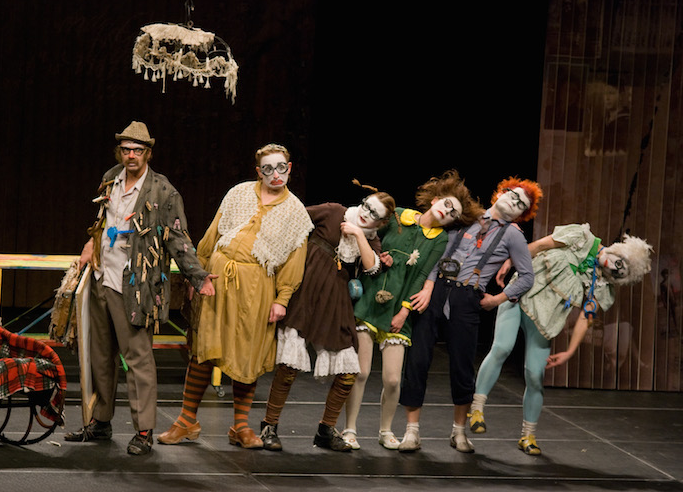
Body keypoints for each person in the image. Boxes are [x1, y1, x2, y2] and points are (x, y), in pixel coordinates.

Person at [64, 121, 216, 455]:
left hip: (136, 285)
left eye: (137, 150)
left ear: (148, 153)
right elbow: (103, 219)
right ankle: (100, 421)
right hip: (102, 276)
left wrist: (198, 276)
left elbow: (177, 238)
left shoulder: (162, 191)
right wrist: (90, 243)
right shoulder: (111, 178)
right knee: (100, 355)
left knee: (137, 358)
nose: (131, 155)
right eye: (126, 149)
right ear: (119, 151)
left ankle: (144, 430)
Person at [158, 143, 313, 449]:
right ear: (259, 172)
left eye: (281, 167)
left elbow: (294, 261)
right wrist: (197, 274)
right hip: (218, 279)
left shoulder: (296, 212)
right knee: (203, 348)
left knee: (247, 354)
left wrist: (282, 299)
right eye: (268, 169)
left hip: (256, 286)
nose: (275, 174)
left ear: (290, 168)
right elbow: (213, 234)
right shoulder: (238, 193)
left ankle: (240, 427)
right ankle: (186, 421)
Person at [470, 225, 652, 455]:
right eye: (618, 263)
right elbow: (540, 246)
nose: (611, 268)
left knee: (535, 375)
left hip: (546, 320)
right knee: (502, 348)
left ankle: (528, 435)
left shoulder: (603, 285)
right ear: (618, 251)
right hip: (520, 295)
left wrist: (570, 351)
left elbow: (586, 317)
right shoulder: (581, 236)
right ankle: (476, 408)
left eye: (618, 273)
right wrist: (510, 261)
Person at [399, 177, 543, 453]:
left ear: (523, 214)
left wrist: (497, 299)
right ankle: (411, 431)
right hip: (437, 290)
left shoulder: (513, 235)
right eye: (513, 195)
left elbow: (527, 277)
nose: (514, 202)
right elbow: (437, 252)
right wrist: (428, 286)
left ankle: (459, 432)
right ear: (500, 192)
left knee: (462, 367)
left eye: (521, 204)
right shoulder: (467, 216)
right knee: (417, 360)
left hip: (467, 298)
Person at [342, 170, 483, 450]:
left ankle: (385, 430)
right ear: (435, 200)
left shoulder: (439, 239)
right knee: (361, 372)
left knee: (393, 379)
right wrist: (377, 253)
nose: (447, 212)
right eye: (447, 204)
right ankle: (349, 429)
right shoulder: (398, 216)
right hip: (370, 301)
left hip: (399, 309)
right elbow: (371, 236)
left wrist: (405, 311)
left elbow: (421, 276)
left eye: (453, 214)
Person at [258, 184, 395, 452]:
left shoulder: (370, 239)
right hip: (305, 292)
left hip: (335, 300)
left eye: (374, 214)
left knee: (348, 371)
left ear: (381, 223)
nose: (366, 213)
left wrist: (358, 233)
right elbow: (294, 216)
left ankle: (325, 430)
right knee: (289, 366)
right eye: (366, 206)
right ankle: (269, 427)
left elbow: (372, 268)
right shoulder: (334, 212)